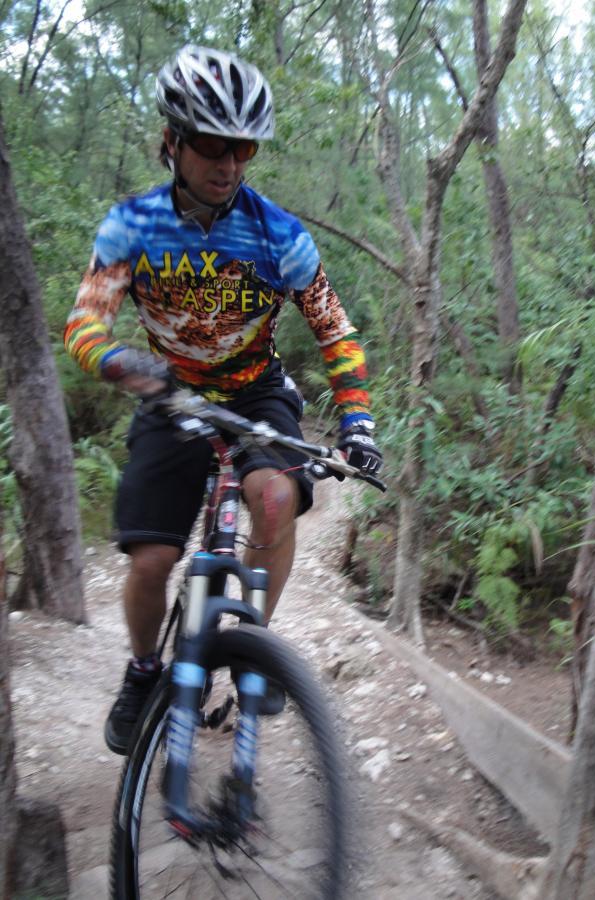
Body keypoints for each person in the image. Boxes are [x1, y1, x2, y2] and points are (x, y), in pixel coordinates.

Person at [64, 45, 383, 755]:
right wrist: (128, 367)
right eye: (214, 145)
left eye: (244, 147)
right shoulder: (132, 227)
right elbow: (84, 324)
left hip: (256, 388)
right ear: (172, 141)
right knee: (150, 559)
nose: (230, 163)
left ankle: (250, 650)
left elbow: (333, 326)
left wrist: (356, 416)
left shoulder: (279, 234)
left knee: (274, 497)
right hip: (169, 391)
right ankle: (145, 668)